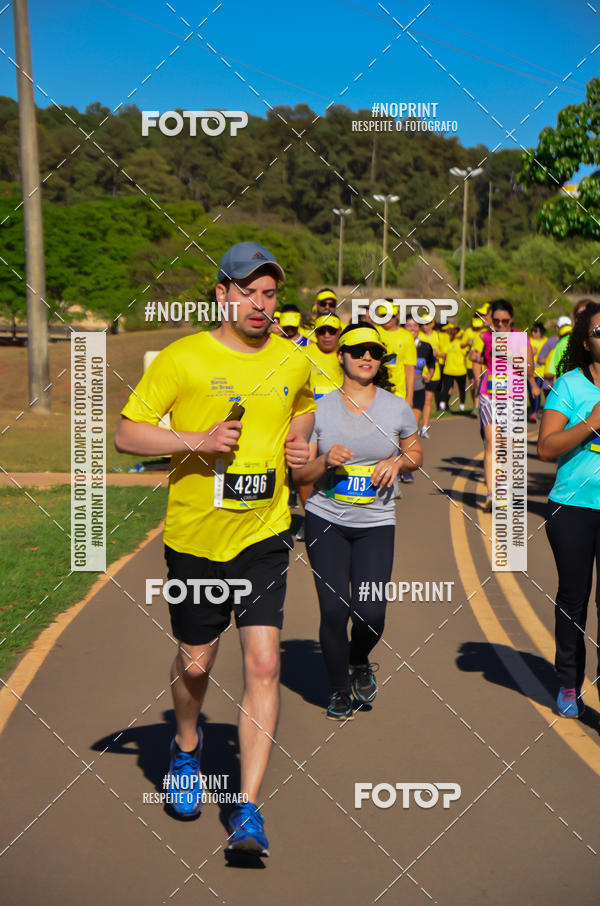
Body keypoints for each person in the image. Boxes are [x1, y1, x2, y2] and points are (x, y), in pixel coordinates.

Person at [115, 241, 315, 856]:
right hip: (196, 537)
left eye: (271, 292)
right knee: (197, 662)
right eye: (249, 291)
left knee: (263, 664)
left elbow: (302, 418)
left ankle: (248, 808)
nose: (261, 303)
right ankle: (185, 746)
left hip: (265, 534)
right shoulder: (184, 358)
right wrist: (196, 439)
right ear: (223, 295)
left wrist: (301, 455)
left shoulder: (293, 360)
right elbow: (126, 433)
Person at [293, 323, 422, 720]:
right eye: (357, 350)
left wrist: (398, 461)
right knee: (334, 610)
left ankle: (359, 659)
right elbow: (299, 476)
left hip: (377, 522)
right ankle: (338, 691)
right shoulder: (320, 407)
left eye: (373, 350)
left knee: (371, 612)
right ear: (342, 356)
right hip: (325, 520)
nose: (366, 356)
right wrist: (323, 462)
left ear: (381, 358)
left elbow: (416, 453)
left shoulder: (396, 406)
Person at [538, 300, 600, 719]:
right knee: (574, 599)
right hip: (574, 506)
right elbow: (546, 447)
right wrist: (591, 423)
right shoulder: (569, 385)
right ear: (585, 341)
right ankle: (567, 682)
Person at [470, 299, 535, 512]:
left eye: (504, 321)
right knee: (491, 442)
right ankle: (491, 494)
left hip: (513, 397)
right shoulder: (485, 337)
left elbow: (529, 370)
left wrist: (509, 355)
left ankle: (503, 488)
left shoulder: (520, 338)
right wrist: (475, 372)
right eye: (496, 321)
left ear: (511, 320)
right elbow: (476, 359)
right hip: (489, 395)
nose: (500, 325)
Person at [295, 315, 345, 539]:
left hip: (341, 425)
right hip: (310, 425)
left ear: (339, 333)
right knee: (305, 473)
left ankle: (337, 520)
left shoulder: (345, 357)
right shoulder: (303, 355)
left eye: (331, 331)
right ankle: (310, 520)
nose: (326, 335)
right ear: (315, 334)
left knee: (336, 475)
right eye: (322, 331)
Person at [404, 314, 434, 473]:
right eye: (409, 325)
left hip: (418, 387)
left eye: (415, 325)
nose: (413, 329)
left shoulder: (425, 346)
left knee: (412, 428)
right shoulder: (399, 344)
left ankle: (407, 468)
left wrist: (429, 374)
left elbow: (431, 364)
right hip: (401, 389)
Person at [418, 316, 443, 437]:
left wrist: (436, 354)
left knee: (428, 400)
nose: (425, 326)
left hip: (433, 373)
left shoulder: (438, 336)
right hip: (419, 373)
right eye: (422, 323)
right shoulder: (418, 336)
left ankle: (424, 427)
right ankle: (414, 427)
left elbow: (445, 353)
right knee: (416, 401)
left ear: (433, 324)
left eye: (427, 323)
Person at [438, 323, 468, 412]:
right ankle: (462, 406)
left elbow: (443, 354)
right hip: (460, 371)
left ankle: (442, 405)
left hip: (448, 370)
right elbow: (466, 354)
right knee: (462, 389)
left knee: (446, 388)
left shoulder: (448, 343)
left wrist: (436, 354)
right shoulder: (462, 344)